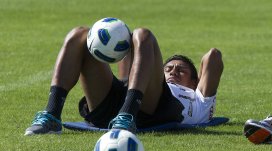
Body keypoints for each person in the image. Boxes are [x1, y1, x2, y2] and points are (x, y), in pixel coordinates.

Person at [24, 25, 224, 136]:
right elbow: (130, 74)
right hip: (120, 103)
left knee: (143, 34)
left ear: (194, 81)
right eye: (168, 69)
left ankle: (127, 117)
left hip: (154, 110)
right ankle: (51, 116)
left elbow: (213, 57)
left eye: (182, 71)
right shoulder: (142, 78)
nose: (173, 73)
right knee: (80, 34)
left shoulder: (199, 98)